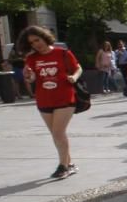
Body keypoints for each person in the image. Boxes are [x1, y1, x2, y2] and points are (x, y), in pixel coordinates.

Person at [19, 26, 81, 179]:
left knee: (58, 133)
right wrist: (28, 76)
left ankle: (63, 166)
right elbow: (32, 78)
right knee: (55, 134)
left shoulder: (63, 53)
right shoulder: (32, 58)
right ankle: (69, 163)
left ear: (44, 37)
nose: (35, 44)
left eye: (37, 40)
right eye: (32, 43)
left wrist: (74, 77)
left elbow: (78, 68)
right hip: (44, 98)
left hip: (65, 97)